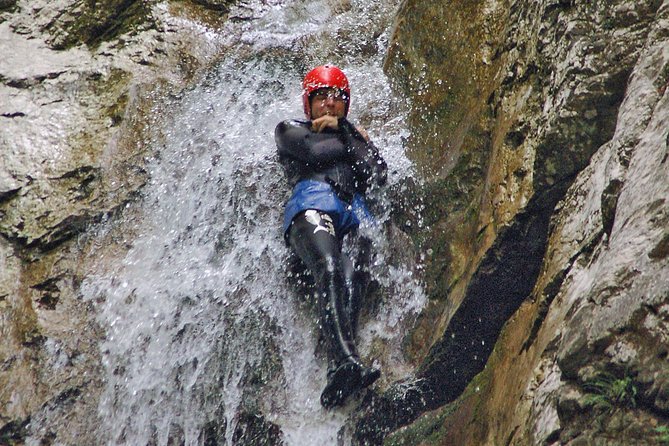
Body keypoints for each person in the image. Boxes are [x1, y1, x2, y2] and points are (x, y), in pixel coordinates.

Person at [275, 65, 388, 408]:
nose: (328, 104)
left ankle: (344, 366)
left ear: (346, 105)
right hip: (312, 203)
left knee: (356, 277)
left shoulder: (349, 133)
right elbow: (314, 153)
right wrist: (351, 139)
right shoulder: (290, 130)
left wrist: (346, 132)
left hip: (353, 214)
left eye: (336, 97)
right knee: (329, 265)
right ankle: (343, 362)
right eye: (320, 97)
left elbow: (378, 175)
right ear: (308, 104)